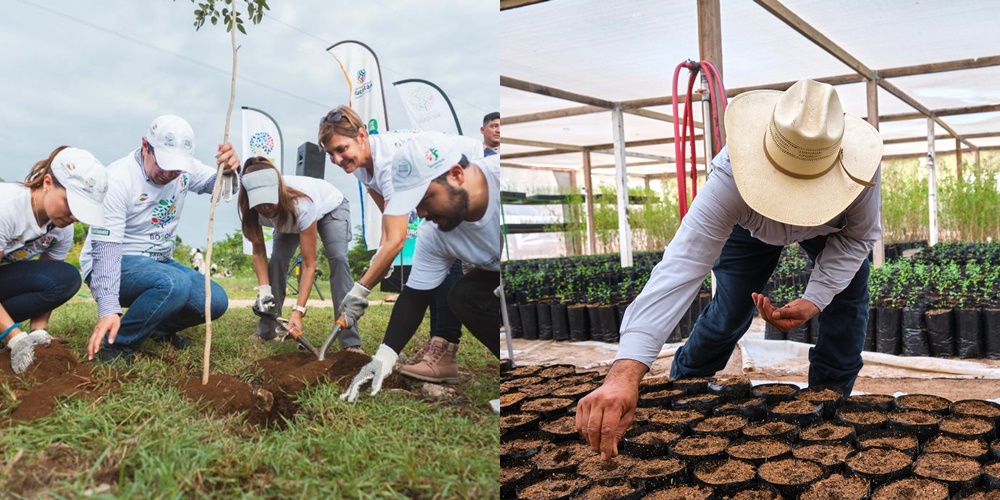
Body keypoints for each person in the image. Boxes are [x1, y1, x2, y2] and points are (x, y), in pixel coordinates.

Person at [576, 79, 883, 459]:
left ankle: (827, 410)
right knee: (731, 311)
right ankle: (685, 388)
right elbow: (682, 265)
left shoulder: (860, 172)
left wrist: (815, 299)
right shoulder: (731, 178)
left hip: (829, 230)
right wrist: (624, 374)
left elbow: (858, 238)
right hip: (748, 229)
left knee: (847, 311)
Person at [318, 105, 484, 383]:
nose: (336, 159)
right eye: (330, 154)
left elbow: (397, 238)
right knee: (435, 252)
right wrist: (382, 259)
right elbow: (389, 218)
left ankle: (444, 349)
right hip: (441, 182)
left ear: (361, 135)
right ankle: (438, 345)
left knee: (444, 251)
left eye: (340, 149)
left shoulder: (390, 163)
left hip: (472, 172)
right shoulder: (360, 164)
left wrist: (360, 290)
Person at [337, 135, 502, 404]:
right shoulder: (433, 233)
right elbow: (415, 297)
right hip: (492, 275)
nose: (422, 213)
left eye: (425, 199)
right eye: (414, 205)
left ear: (457, 174)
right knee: (464, 295)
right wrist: (383, 359)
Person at [81, 115, 241, 363]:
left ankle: (156, 329)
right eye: (164, 164)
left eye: (176, 168)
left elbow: (221, 186)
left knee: (214, 301)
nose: (169, 174)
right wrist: (108, 308)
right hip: (113, 263)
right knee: (174, 283)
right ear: (146, 146)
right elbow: (106, 250)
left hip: (159, 263)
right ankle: (117, 345)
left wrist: (231, 169)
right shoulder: (117, 179)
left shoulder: (183, 171)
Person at [0, 147, 108, 374]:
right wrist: (14, 337)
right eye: (70, 204)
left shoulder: (60, 228)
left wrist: (39, 332)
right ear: (47, 182)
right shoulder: (7, 209)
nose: (74, 216)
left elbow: (49, 275)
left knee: (65, 277)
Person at [239, 156, 362, 352]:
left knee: (338, 259)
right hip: (289, 219)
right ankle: (267, 329)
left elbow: (308, 264)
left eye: (269, 201)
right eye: (259, 203)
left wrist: (298, 311)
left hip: (329, 207)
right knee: (277, 260)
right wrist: (264, 291)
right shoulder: (250, 209)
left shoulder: (302, 203)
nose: (265, 208)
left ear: (278, 190)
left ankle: (350, 341)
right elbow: (259, 254)